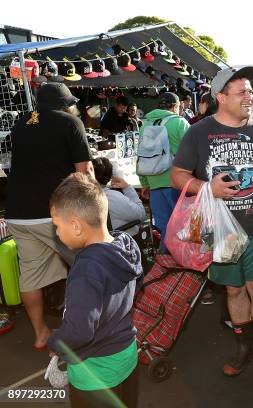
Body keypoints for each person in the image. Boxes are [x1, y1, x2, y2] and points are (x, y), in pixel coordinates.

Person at [171, 66, 253, 386]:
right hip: (221, 231)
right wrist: (207, 188)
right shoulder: (198, 132)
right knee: (234, 289)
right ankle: (243, 347)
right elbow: (178, 177)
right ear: (220, 97)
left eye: (250, 91)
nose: (249, 96)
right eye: (241, 92)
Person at [5, 82, 93, 350]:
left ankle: (41, 334)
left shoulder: (21, 122)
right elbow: (84, 172)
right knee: (87, 268)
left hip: (18, 213)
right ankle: (86, 332)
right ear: (63, 103)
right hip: (55, 213)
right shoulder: (69, 122)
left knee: (30, 275)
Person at [47, 173, 141, 408]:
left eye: (57, 226)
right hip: (126, 357)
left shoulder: (86, 271)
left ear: (76, 226)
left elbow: (79, 331)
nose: (56, 232)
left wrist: (56, 341)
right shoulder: (125, 247)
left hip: (95, 373)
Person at [138, 92, 190, 243]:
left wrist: (145, 183)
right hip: (177, 182)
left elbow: (140, 156)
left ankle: (165, 259)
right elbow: (194, 152)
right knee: (181, 226)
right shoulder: (180, 123)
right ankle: (181, 261)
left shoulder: (145, 125)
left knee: (162, 227)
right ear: (175, 106)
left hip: (154, 183)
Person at [92, 157, 146, 236]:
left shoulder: (81, 198)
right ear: (110, 176)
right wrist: (127, 188)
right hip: (122, 241)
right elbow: (141, 215)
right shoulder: (113, 197)